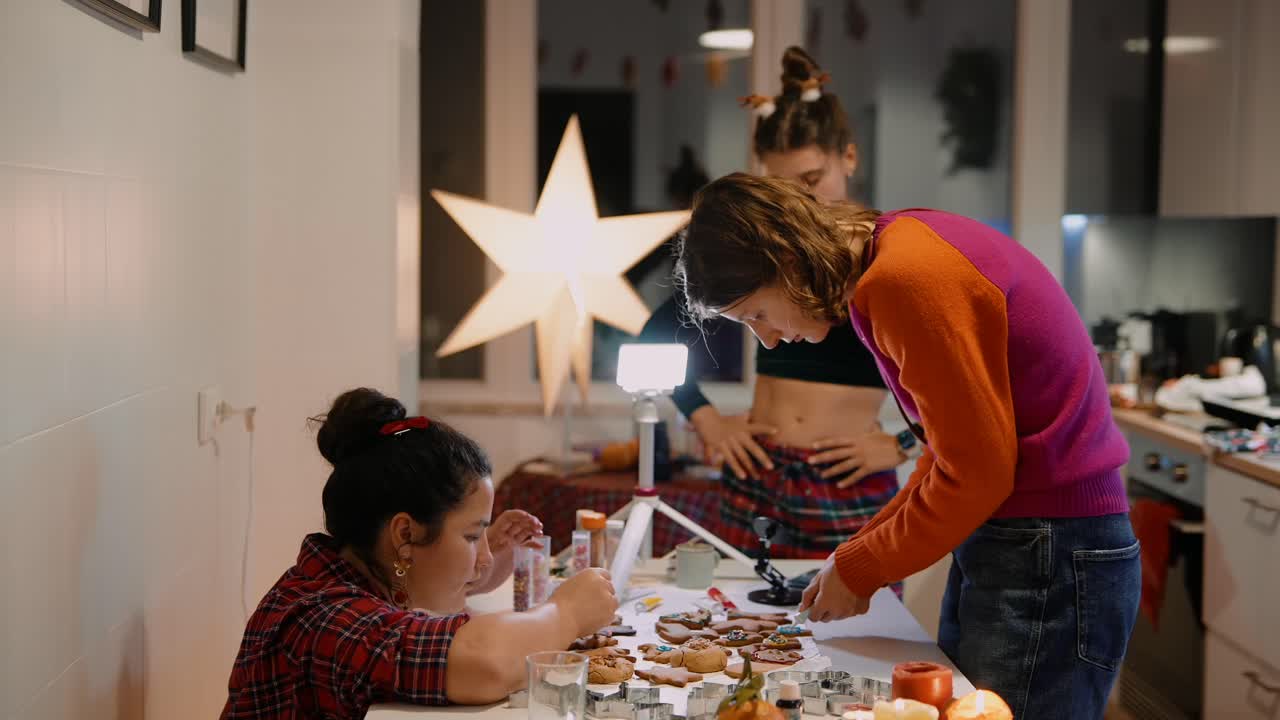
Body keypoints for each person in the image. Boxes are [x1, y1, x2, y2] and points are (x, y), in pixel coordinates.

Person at [674, 173, 1140, 719]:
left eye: (755, 314)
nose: (768, 339)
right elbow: (946, 456)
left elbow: (978, 475)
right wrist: (852, 558)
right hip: (1024, 537)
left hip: (1052, 547)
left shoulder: (906, 278)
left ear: (784, 258)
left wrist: (863, 568)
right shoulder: (894, 254)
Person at [640, 46, 914, 560]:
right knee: (739, 623)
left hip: (844, 479)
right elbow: (661, 328)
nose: (801, 201)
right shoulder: (760, 254)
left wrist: (903, 446)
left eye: (811, 181)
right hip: (757, 472)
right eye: (781, 186)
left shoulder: (886, 253)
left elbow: (963, 389)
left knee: (861, 630)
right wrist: (705, 417)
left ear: (848, 158)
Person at [221, 388, 618, 718]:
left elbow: (447, 595)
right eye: (470, 535)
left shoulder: (350, 574)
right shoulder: (324, 618)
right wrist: (567, 612)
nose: (481, 556)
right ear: (405, 533)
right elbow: (483, 661)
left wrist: (485, 553)